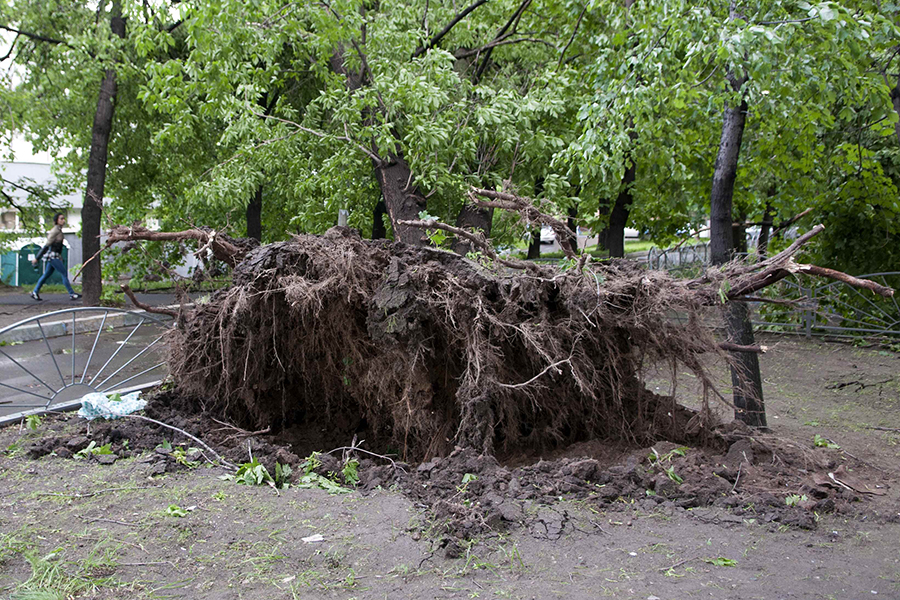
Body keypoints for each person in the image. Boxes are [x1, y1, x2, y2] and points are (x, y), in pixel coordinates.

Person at [30, 213, 81, 301]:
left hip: (55, 256)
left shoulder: (59, 230)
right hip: (53, 256)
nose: (63, 220)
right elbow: (47, 245)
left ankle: (35, 292)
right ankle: (71, 293)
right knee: (64, 273)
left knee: (46, 275)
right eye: (61, 219)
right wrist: (37, 258)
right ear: (56, 220)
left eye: (64, 218)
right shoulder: (55, 231)